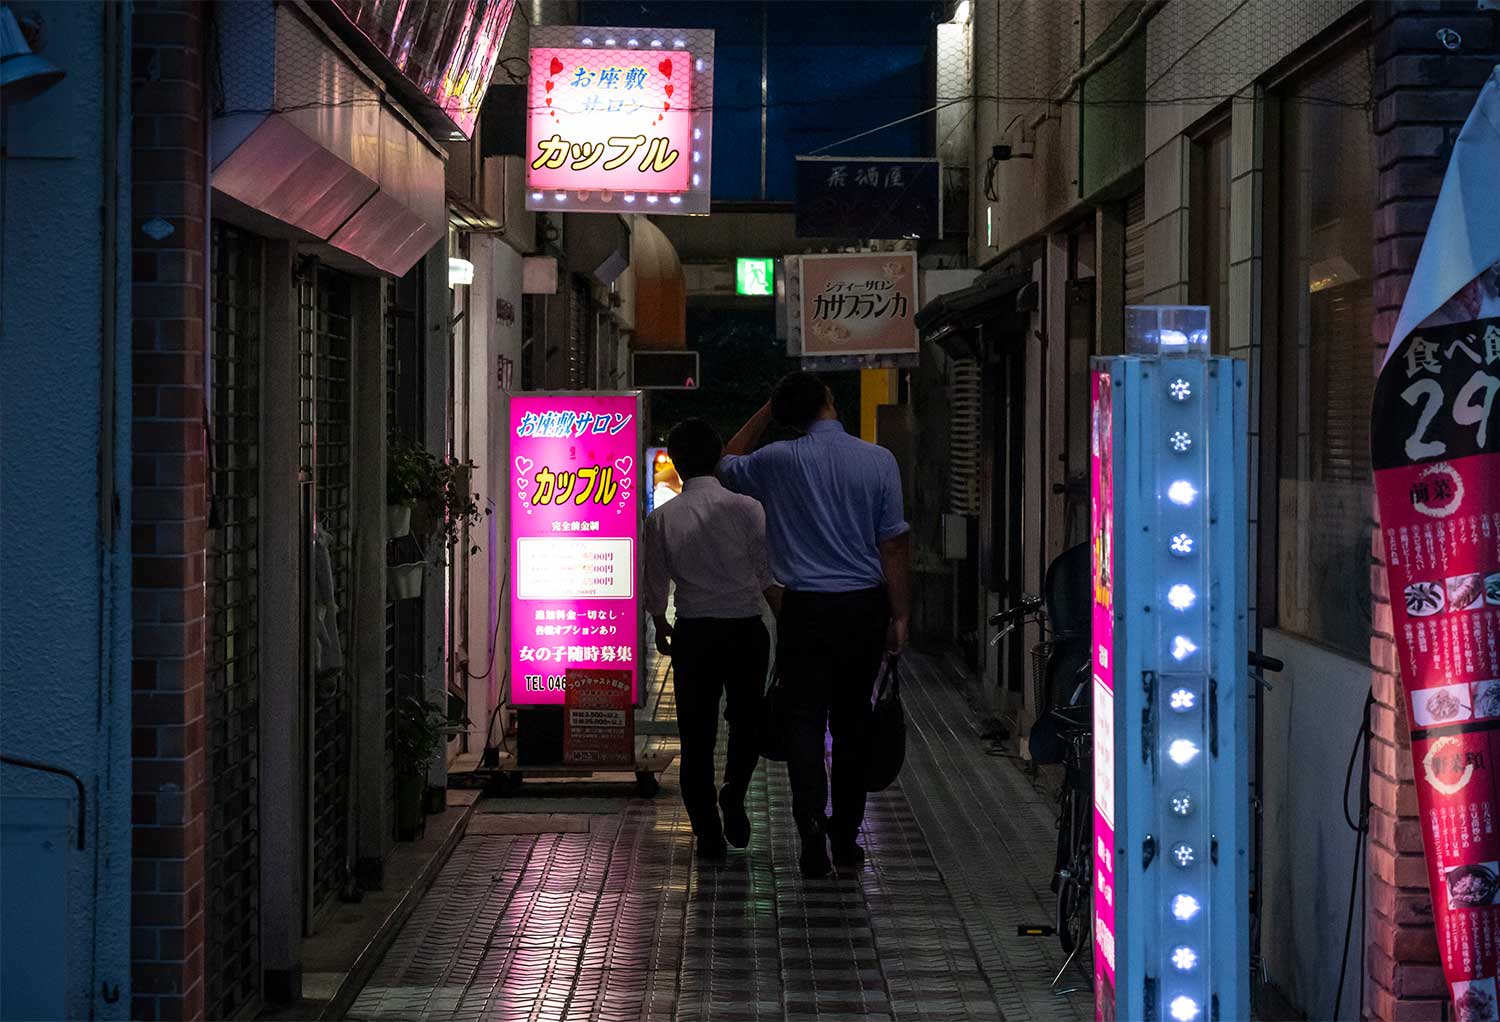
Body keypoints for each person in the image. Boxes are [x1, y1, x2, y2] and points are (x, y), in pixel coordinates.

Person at [719, 372, 910, 878]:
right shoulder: (878, 460)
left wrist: (767, 408)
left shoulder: (777, 461)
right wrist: (900, 614)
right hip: (863, 608)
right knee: (852, 724)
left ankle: (809, 825)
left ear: (787, 413)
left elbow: (724, 461)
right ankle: (845, 838)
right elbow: (893, 543)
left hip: (804, 609)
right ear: (830, 399)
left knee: (803, 720)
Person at [642, 418, 777, 860]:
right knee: (746, 724)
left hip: (695, 632)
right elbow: (765, 573)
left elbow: (655, 585)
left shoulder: (661, 518)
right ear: (719, 457)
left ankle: (707, 833)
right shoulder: (748, 508)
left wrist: (662, 624)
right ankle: (734, 791)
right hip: (745, 629)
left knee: (695, 736)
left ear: (676, 464)